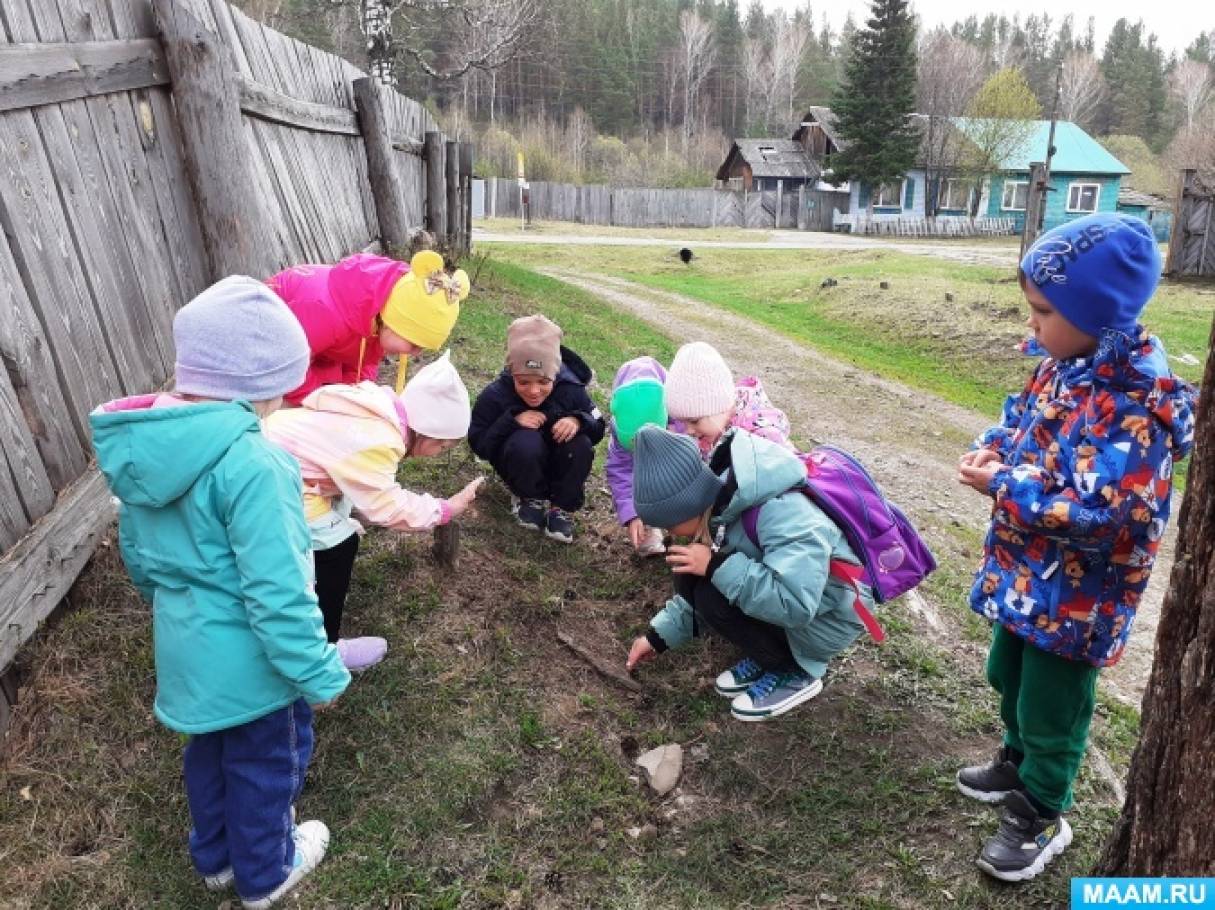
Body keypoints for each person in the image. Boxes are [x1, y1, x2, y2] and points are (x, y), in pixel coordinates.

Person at [91, 277, 351, 908]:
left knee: (209, 752)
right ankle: (265, 873)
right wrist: (319, 675)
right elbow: (279, 593)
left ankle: (216, 859)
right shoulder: (256, 464)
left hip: (184, 650)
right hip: (255, 667)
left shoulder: (151, 449)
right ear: (263, 385)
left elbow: (141, 560)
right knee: (265, 762)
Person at [954, 213, 1196, 883]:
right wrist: (994, 448)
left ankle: (1041, 809)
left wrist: (1003, 485)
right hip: (1029, 579)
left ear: (1097, 311)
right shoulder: (1063, 365)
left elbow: (1111, 516)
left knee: (1052, 706)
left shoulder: (1133, 407)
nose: (1030, 324)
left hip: (1077, 599)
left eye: (1041, 310)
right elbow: (1020, 419)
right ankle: (1015, 761)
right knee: (1006, 675)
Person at [625, 425, 868, 722]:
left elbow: (796, 604)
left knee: (706, 579)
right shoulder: (718, 507)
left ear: (684, 507)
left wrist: (715, 566)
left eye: (668, 524)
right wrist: (657, 637)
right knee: (692, 576)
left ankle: (797, 670)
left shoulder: (780, 514)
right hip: (796, 611)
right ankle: (770, 653)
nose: (669, 533)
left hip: (826, 621)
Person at [264, 351, 484, 671]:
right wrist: (444, 509)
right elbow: (386, 507)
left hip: (270, 459)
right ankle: (322, 650)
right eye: (442, 446)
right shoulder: (380, 440)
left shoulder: (375, 407)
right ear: (426, 431)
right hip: (275, 483)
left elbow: (340, 472)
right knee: (337, 547)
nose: (438, 454)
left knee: (339, 520)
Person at [468, 314, 606, 544]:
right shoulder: (496, 394)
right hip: (522, 464)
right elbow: (479, 443)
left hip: (560, 461)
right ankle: (529, 497)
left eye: (543, 382)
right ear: (512, 374)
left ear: (555, 374)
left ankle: (561, 507)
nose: (534, 391)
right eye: (524, 382)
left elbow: (599, 425)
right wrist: (511, 421)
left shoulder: (572, 389)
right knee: (525, 442)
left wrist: (578, 420)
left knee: (580, 444)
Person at [267, 250, 470, 404]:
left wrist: (354, 395)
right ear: (398, 323)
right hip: (265, 353)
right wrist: (321, 402)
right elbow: (284, 367)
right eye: (415, 344)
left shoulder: (380, 315)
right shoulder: (325, 312)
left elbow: (365, 360)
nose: (415, 353)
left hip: (312, 351)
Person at [662, 341, 792, 455]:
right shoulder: (712, 430)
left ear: (721, 406)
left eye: (694, 421)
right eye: (683, 422)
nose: (689, 430)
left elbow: (790, 474)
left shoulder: (763, 440)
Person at [604, 356, 676, 557]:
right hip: (650, 486)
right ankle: (648, 525)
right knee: (641, 476)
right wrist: (632, 514)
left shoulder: (681, 425)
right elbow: (621, 473)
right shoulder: (621, 433)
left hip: (676, 481)